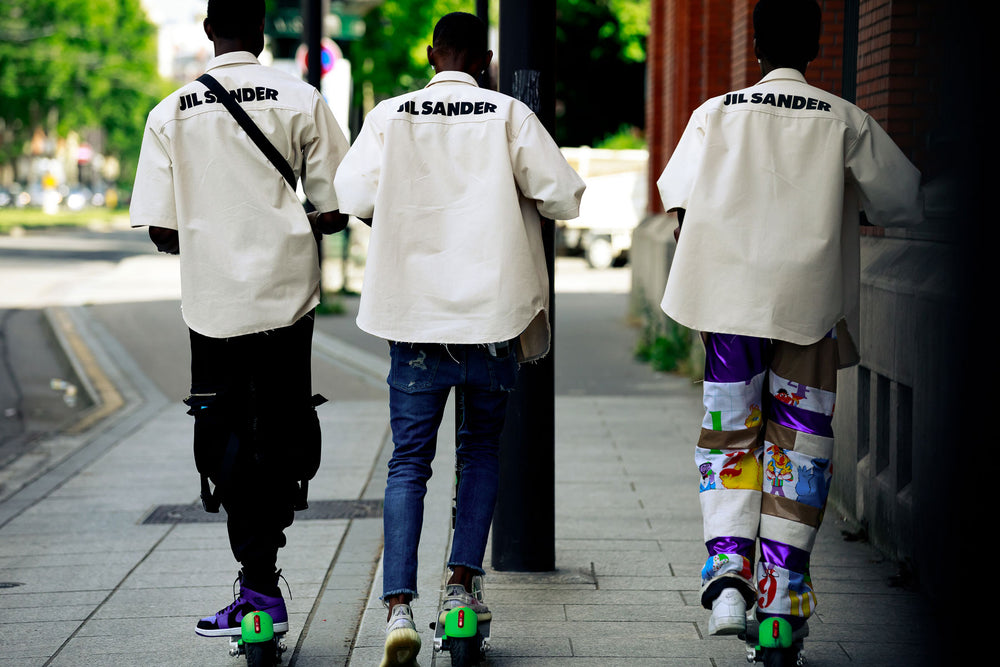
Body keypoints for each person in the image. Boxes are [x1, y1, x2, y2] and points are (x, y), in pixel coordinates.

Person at [657, 0, 921, 643]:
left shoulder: (715, 114)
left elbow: (675, 194)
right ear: (818, 44)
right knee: (799, 446)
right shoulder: (844, 119)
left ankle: (726, 577)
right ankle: (782, 593)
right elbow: (904, 198)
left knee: (729, 436)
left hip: (729, 310)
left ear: (754, 49)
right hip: (808, 309)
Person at [334, 12, 585, 667]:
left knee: (408, 463)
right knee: (479, 453)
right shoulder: (507, 116)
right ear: (485, 58)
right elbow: (564, 195)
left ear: (431, 53)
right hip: (490, 319)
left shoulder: (390, 115)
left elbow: (349, 189)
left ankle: (397, 608)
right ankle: (460, 593)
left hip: (414, 318)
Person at [129, 0, 349, 638]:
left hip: (212, 304)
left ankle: (255, 586)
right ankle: (266, 567)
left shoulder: (170, 112)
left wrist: (209, 232)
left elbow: (164, 231)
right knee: (282, 419)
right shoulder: (300, 97)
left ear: (207, 32)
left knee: (224, 431)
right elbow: (338, 207)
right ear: (261, 32)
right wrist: (291, 224)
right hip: (287, 295)